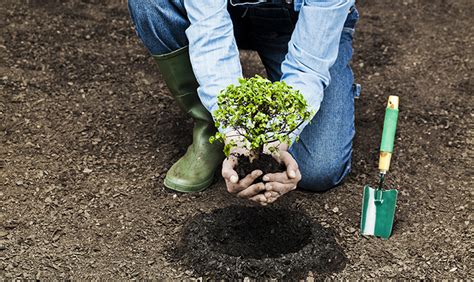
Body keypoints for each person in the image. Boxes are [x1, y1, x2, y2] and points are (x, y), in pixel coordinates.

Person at [128, 0, 360, 205]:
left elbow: (307, 66)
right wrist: (234, 130)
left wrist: (278, 137)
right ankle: (211, 131)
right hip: (229, 12)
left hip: (300, 22)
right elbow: (211, 36)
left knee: (318, 169)